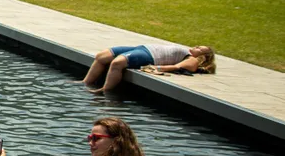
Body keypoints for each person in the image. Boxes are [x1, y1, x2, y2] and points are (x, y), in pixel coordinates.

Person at [83, 44, 215, 92]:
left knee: (117, 63)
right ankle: (85, 82)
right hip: (143, 47)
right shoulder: (188, 52)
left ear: (203, 56)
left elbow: (176, 66)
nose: (196, 46)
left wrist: (155, 67)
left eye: (199, 49)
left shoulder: (192, 60)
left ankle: (105, 90)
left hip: (150, 55)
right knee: (101, 56)